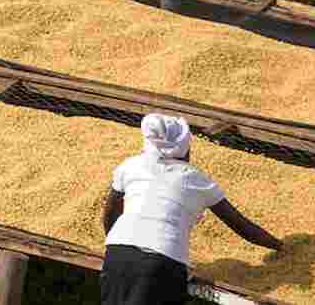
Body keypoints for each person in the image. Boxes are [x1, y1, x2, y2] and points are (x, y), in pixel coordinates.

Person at [102, 114, 280, 304]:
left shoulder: (131, 165)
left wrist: (117, 240)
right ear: (186, 149)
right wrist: (280, 246)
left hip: (117, 254)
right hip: (163, 261)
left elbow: (110, 212)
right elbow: (243, 227)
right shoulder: (196, 179)